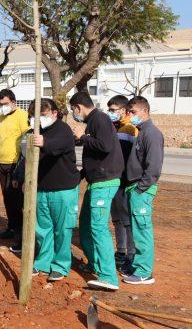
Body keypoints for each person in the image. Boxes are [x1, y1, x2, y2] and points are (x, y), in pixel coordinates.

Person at [70, 91, 124, 291]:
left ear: (78, 107)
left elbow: (105, 146)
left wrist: (82, 137)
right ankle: (94, 263)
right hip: (96, 181)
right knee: (85, 225)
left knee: (99, 228)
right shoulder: (94, 121)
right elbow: (95, 153)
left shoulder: (99, 119)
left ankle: (108, 277)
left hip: (105, 182)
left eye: (73, 110)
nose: (74, 114)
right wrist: (83, 173)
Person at [28, 98, 80, 283]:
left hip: (63, 189)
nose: (38, 120)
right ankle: (43, 262)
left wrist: (43, 142)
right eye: (34, 116)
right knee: (42, 230)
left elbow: (56, 145)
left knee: (62, 230)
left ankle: (61, 265)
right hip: (41, 189)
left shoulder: (63, 131)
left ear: (54, 114)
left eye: (42, 115)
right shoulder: (33, 132)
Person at [122, 96, 164, 285]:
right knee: (137, 230)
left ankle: (144, 272)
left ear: (144, 111)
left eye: (133, 112)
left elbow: (153, 167)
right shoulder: (142, 132)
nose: (130, 116)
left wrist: (140, 189)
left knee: (142, 230)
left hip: (141, 189)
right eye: (129, 112)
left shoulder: (152, 134)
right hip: (135, 187)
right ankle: (138, 265)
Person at [0, 89, 29, 253]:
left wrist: (22, 164)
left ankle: (21, 236)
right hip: (2, 164)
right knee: (7, 198)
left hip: (16, 164)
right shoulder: (1, 118)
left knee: (17, 199)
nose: (3, 107)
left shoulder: (22, 115)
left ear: (13, 102)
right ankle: (11, 227)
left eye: (5, 104)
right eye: (0, 104)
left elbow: (27, 140)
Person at [106, 95, 138, 269]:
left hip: (125, 181)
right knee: (117, 219)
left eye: (113, 110)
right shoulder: (115, 127)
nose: (110, 113)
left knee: (127, 220)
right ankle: (121, 250)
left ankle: (131, 254)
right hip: (114, 180)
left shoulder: (130, 129)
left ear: (124, 111)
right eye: (109, 110)